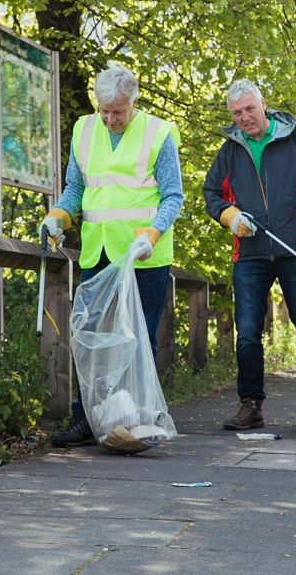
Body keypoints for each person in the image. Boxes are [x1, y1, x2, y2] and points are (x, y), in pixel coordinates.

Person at [44, 63, 184, 448]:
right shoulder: (84, 129)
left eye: (118, 112)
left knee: (140, 340)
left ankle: (138, 422)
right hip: (98, 252)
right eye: (104, 110)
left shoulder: (158, 133)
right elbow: (76, 187)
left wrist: (152, 235)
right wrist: (59, 216)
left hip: (143, 256)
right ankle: (86, 418)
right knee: (90, 336)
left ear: (133, 102)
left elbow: (173, 196)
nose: (110, 119)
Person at [203, 79, 296, 433]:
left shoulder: (295, 138)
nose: (244, 118)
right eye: (237, 113)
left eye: (249, 109)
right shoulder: (230, 150)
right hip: (249, 252)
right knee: (247, 332)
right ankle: (251, 405)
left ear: (263, 103)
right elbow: (210, 194)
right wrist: (230, 217)